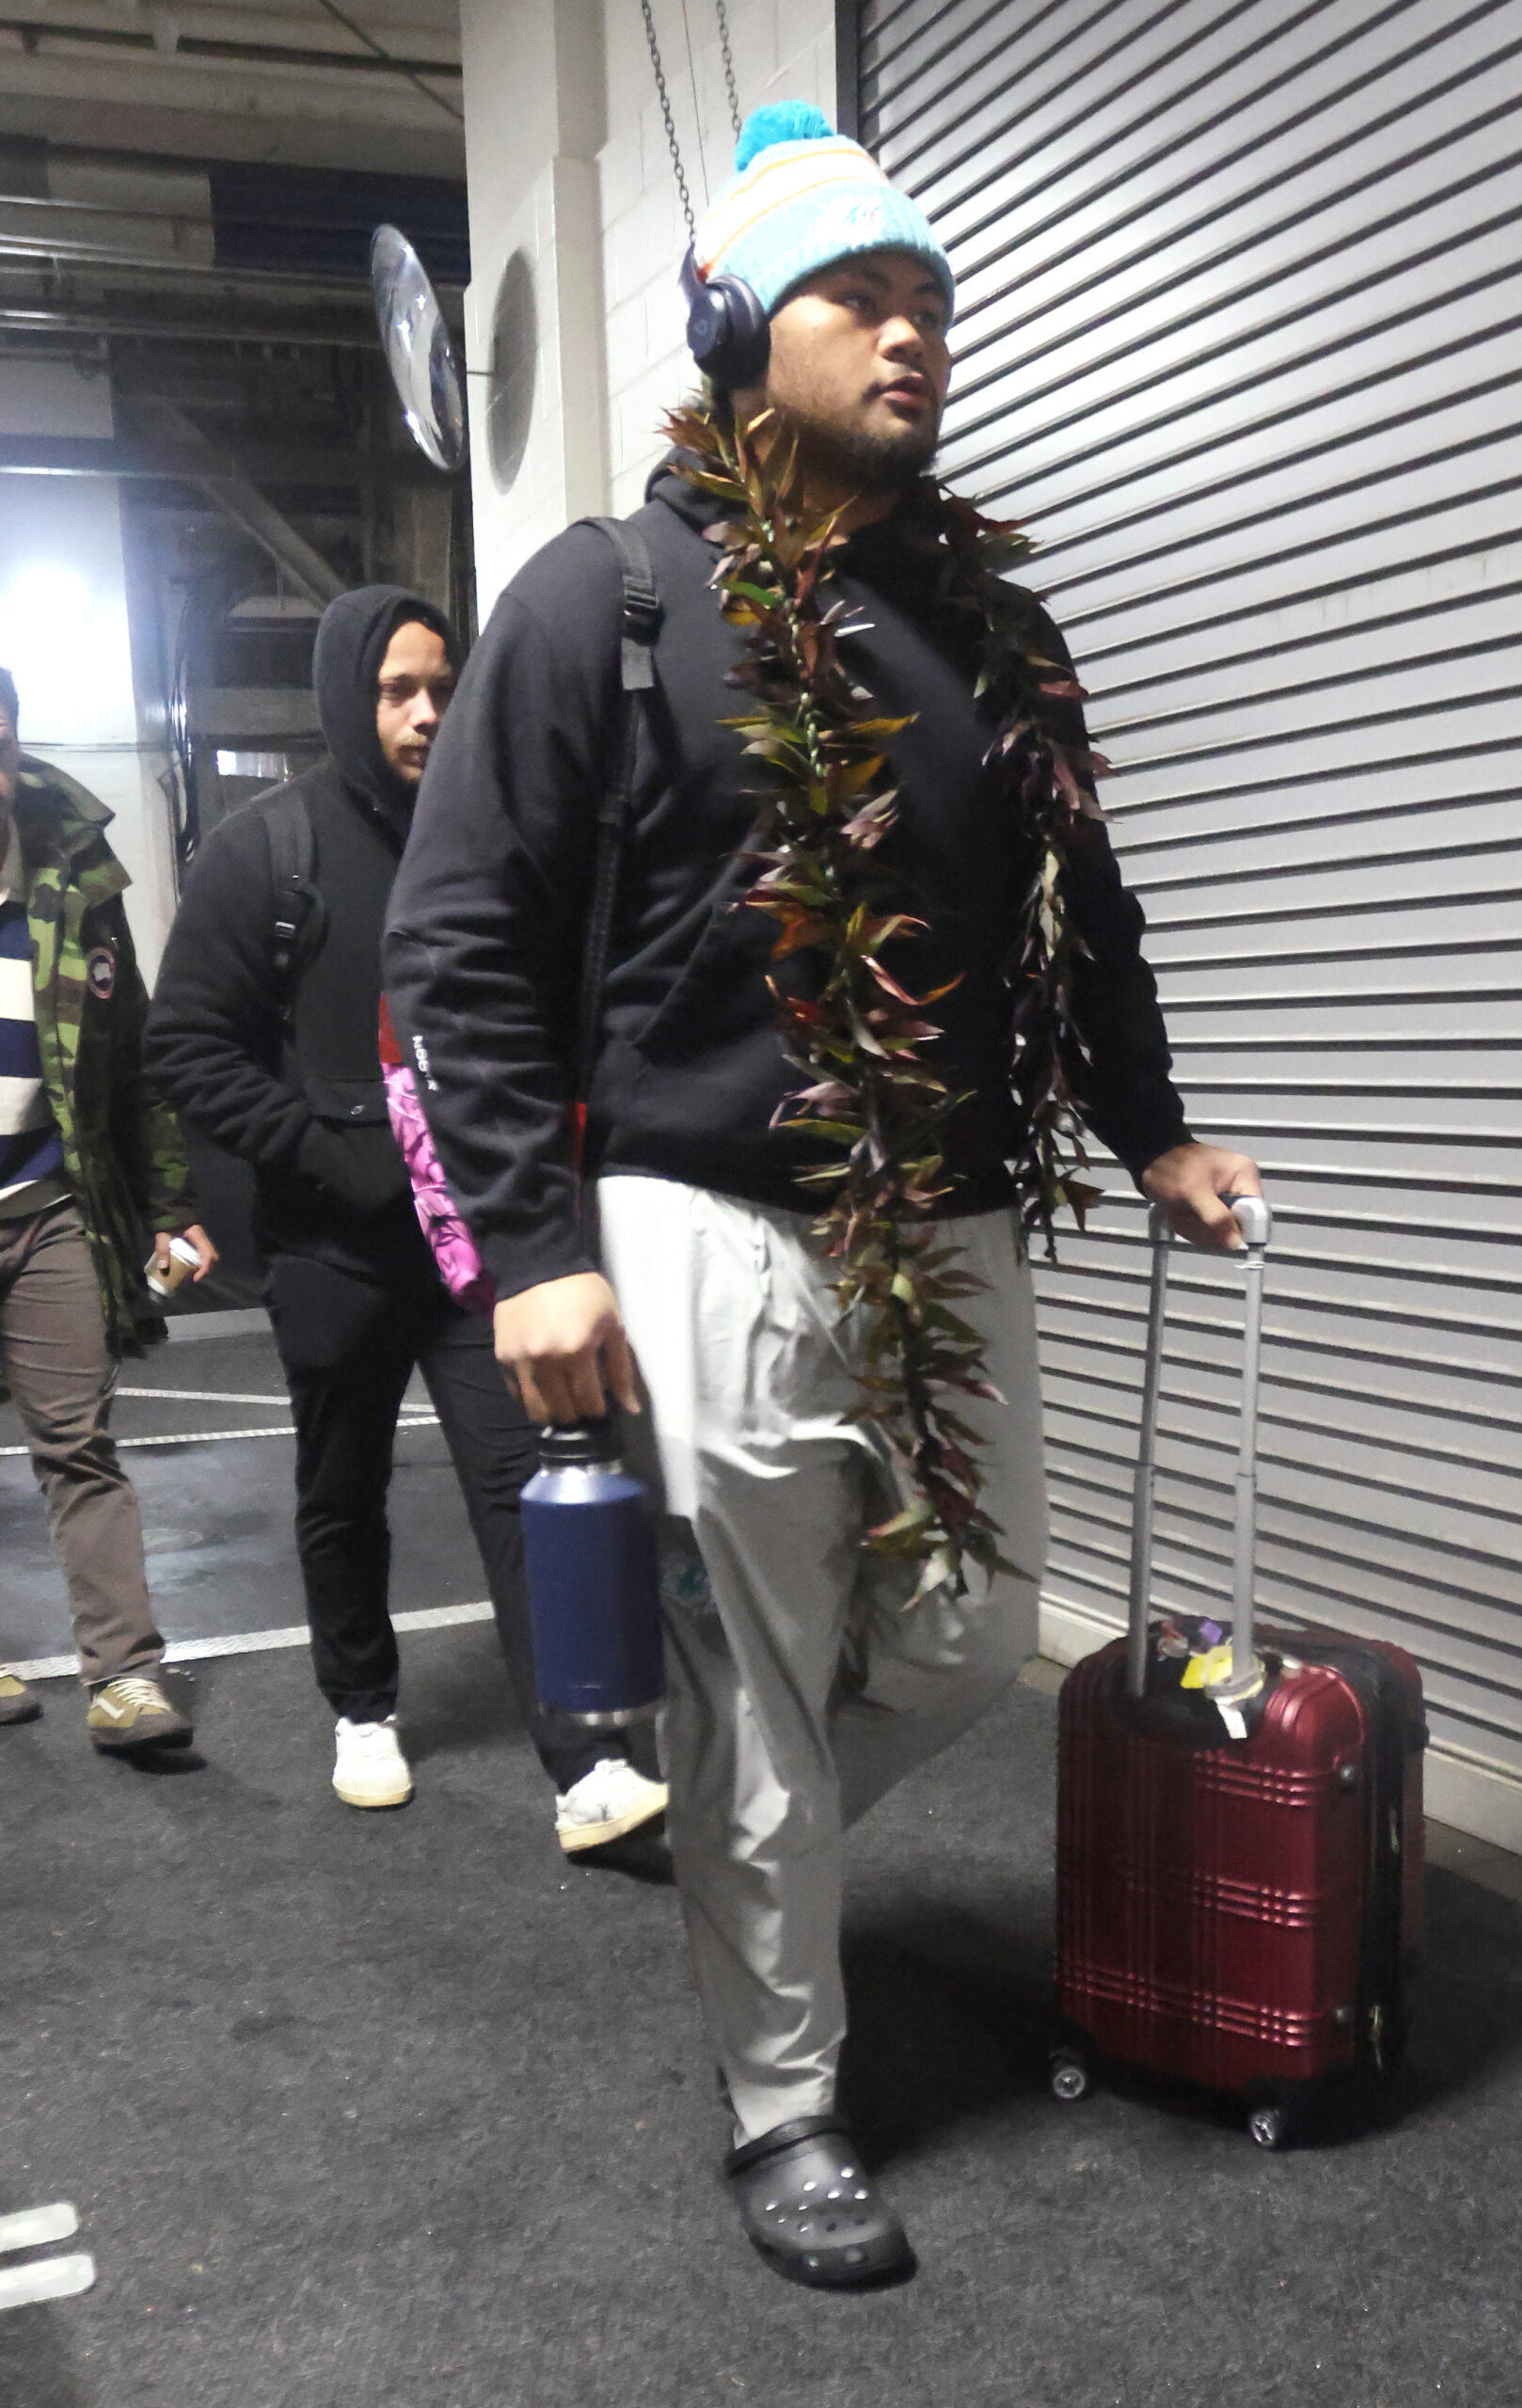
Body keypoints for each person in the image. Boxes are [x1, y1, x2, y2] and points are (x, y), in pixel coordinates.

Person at [384, 103, 1261, 2286]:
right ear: (737, 331)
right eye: (859, 295)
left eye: (928, 300)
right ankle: (783, 2095)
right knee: (761, 1684)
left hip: (946, 1215)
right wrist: (530, 1252)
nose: (910, 333)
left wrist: (1151, 1126)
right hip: (706, 1212)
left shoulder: (991, 631)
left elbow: (1084, 914)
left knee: (969, 1629)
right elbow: (460, 936)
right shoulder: (609, 597)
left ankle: (733, 1834)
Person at [145, 589, 667, 1846]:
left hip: (483, 1247)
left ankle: (588, 1762)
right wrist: (324, 1151)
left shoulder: (499, 841)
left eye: (443, 685)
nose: (427, 712)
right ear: (347, 697)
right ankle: (363, 1705)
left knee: (530, 1484)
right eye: (396, 690)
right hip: (334, 1246)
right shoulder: (268, 851)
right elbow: (187, 1046)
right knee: (343, 1486)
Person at [0, 666, 217, 1749]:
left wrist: (171, 1203)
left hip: (48, 1201)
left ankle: (125, 1675)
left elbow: (135, 1054)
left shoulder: (76, 872)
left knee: (79, 1442)